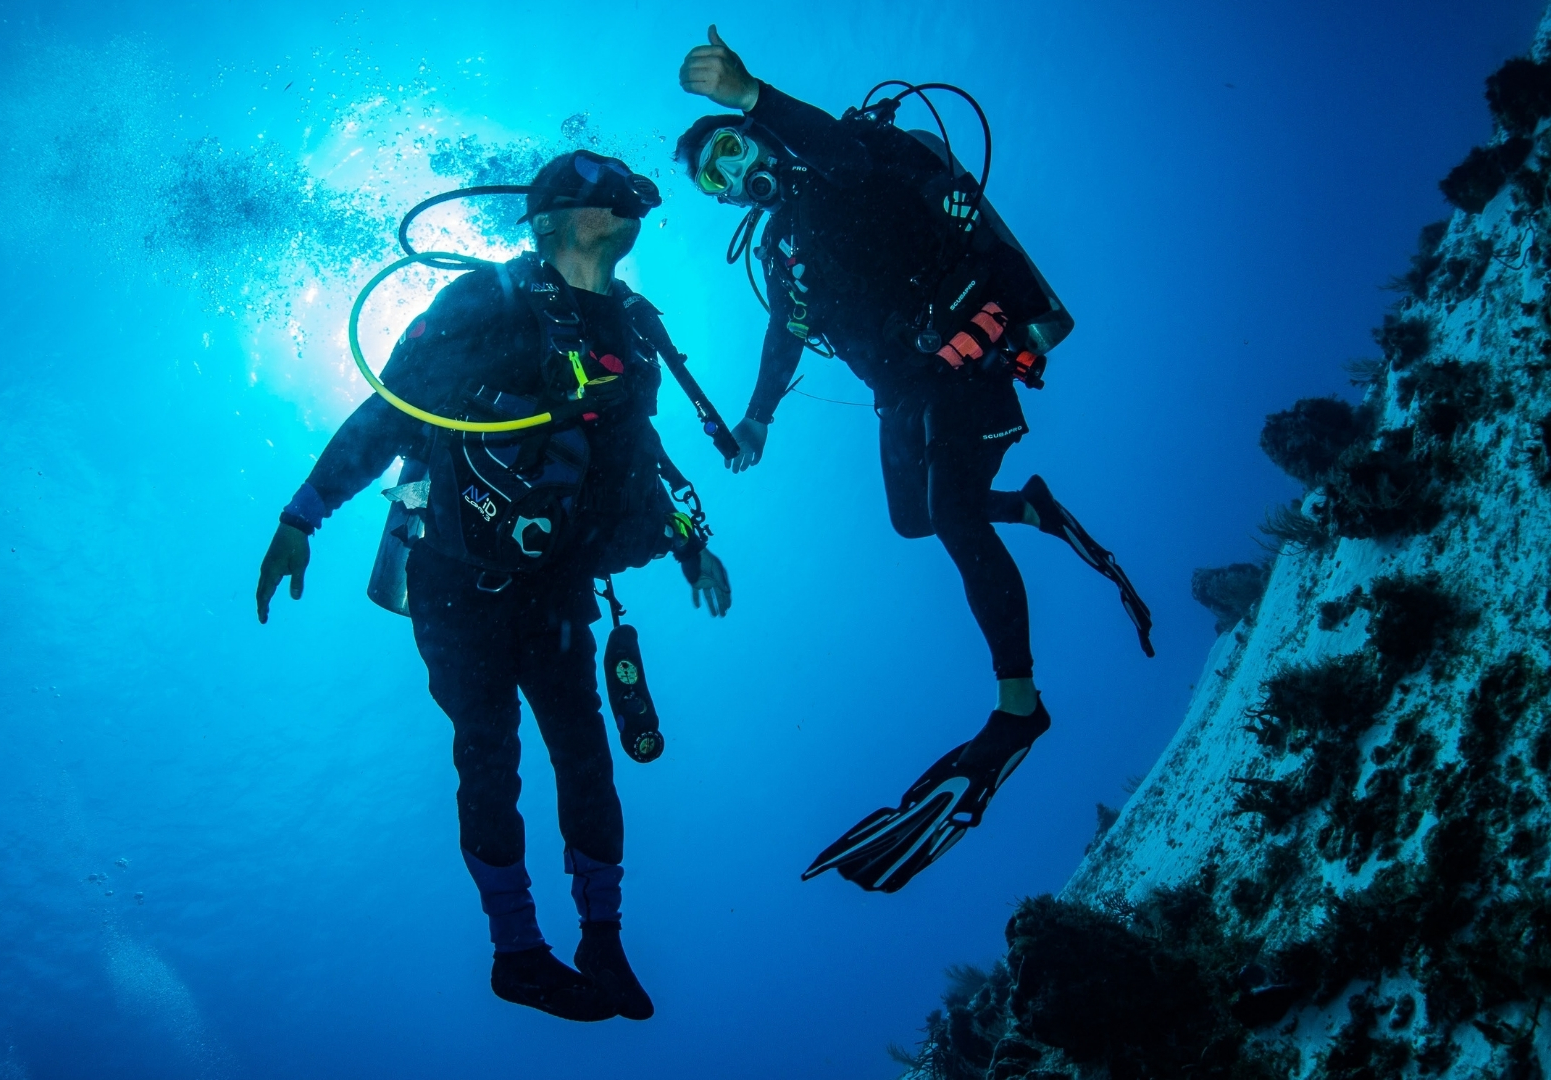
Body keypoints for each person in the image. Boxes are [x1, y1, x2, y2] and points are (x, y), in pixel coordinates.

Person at [255, 149, 732, 1022]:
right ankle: (517, 952)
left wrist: (688, 539)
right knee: (490, 752)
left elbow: (635, 456)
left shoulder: (632, 327)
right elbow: (390, 410)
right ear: (550, 219)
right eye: (598, 185)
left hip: (555, 588)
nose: (623, 195)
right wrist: (301, 515)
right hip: (454, 580)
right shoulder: (486, 301)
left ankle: (603, 938)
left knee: (586, 758)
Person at [676, 28, 1153, 893]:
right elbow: (784, 335)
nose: (733, 174)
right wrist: (755, 422)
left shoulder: (835, 164)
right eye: (715, 178)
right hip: (903, 390)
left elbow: (841, 150)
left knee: (958, 517)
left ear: (760, 135)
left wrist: (754, 95)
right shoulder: (782, 252)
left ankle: (1018, 707)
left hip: (959, 347)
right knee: (912, 519)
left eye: (733, 150)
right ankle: (1036, 507)